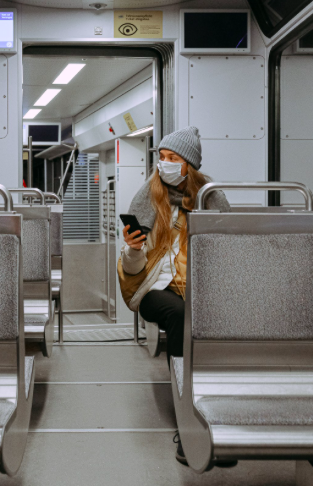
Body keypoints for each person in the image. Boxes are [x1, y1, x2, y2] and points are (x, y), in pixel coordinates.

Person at [120, 126, 231, 466]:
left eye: (173, 159)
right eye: (162, 158)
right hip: (154, 288)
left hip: (203, 288)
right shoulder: (146, 198)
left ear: (189, 166)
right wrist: (132, 249)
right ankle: (189, 425)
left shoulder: (211, 198)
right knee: (181, 317)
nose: (165, 165)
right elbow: (133, 269)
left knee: (208, 321)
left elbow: (228, 251)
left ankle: (220, 421)